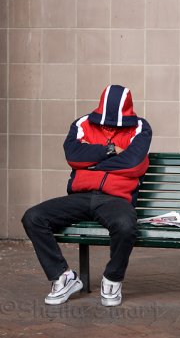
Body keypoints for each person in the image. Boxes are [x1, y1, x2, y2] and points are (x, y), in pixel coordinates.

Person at [22, 85, 152, 307]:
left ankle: (112, 279)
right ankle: (63, 277)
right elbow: (73, 156)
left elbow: (133, 163)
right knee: (33, 217)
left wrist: (91, 163)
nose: (110, 124)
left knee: (126, 225)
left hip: (116, 199)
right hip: (80, 197)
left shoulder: (140, 127)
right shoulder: (82, 124)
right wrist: (110, 150)